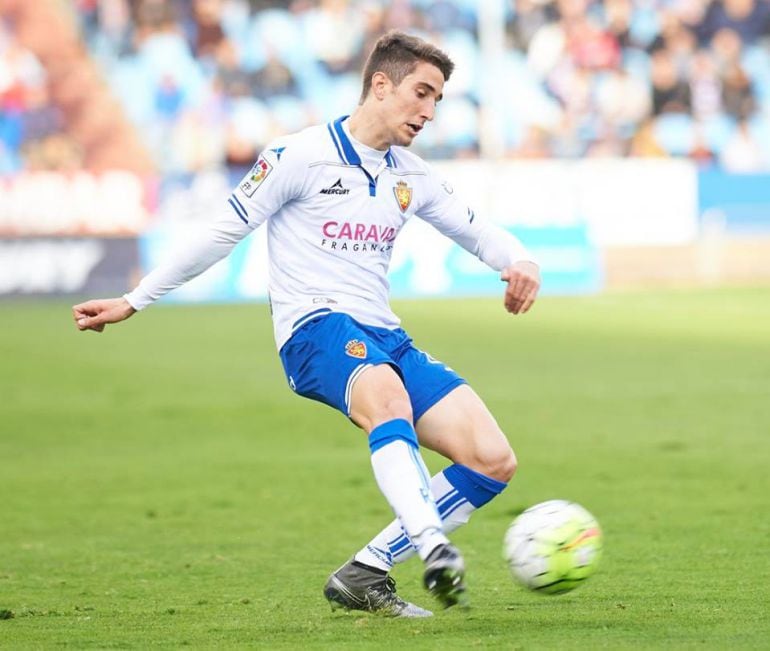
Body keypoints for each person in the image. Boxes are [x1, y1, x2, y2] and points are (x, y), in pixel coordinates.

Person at [72, 30, 541, 617]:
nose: (429, 111)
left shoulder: (411, 174)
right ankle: (432, 545)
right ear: (381, 84)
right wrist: (136, 298)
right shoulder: (298, 155)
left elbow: (476, 230)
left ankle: (366, 572)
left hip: (383, 335)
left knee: (492, 458)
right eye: (422, 93)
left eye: (437, 99)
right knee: (388, 401)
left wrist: (519, 261)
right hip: (313, 329)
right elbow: (221, 232)